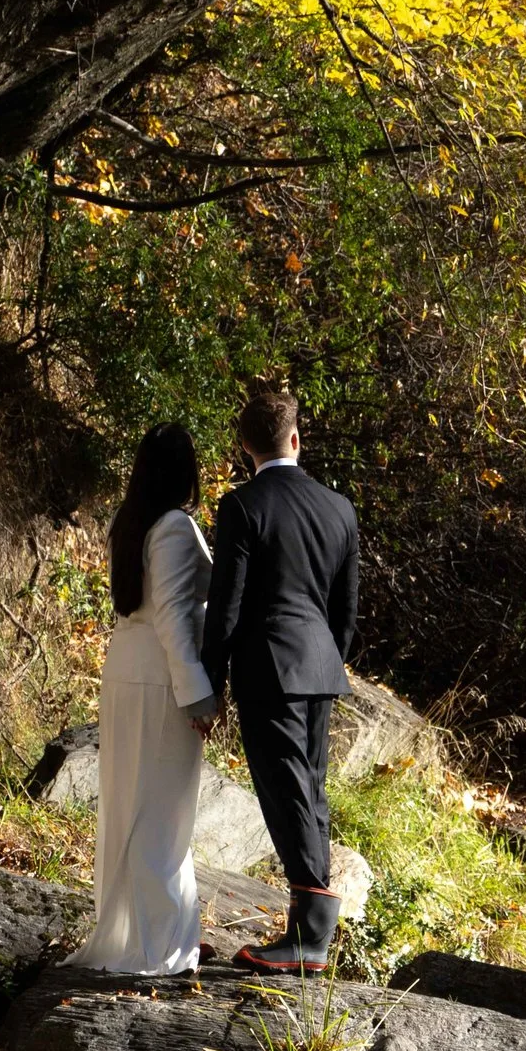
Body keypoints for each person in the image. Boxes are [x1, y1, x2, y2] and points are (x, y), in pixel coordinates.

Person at [199, 378, 359, 975]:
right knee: (309, 790)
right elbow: (346, 612)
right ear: (297, 438)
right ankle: (307, 931)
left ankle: (311, 935)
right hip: (321, 664)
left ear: (247, 449)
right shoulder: (340, 507)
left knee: (285, 788)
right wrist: (327, 657)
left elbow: (227, 605)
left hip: (269, 665)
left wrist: (210, 685)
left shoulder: (243, 506)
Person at [79, 420, 219, 980]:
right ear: (185, 472)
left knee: (131, 807)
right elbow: (174, 619)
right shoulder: (175, 528)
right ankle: (159, 946)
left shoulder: (129, 522)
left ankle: (159, 934)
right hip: (160, 682)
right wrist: (198, 694)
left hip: (124, 676)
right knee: (163, 814)